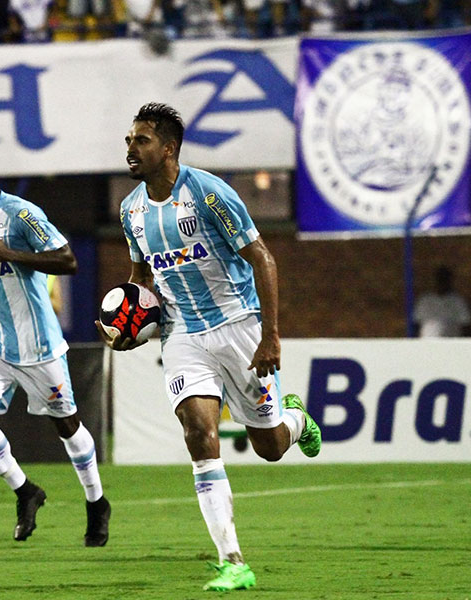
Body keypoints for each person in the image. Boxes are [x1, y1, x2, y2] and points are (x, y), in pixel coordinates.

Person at [98, 103, 321, 592]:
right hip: (182, 333)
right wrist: (126, 325)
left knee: (269, 447)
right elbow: (141, 279)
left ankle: (296, 420)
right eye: (129, 140)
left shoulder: (208, 193)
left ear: (168, 148)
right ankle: (232, 560)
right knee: (199, 433)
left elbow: (262, 259)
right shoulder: (131, 210)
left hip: (238, 325)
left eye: (141, 140)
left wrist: (270, 334)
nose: (131, 148)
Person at [0, 146, 110, 546]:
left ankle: (97, 502)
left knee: (67, 426)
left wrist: (12, 254)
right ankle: (25, 491)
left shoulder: (21, 215)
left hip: (36, 344)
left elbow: (68, 261)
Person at [412, 265, 471, 337]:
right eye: (440, 279)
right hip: (428, 341)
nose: (442, 283)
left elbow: (466, 325)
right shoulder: (425, 300)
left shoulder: (458, 301)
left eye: (445, 279)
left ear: (450, 281)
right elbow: (416, 323)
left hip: (451, 341)